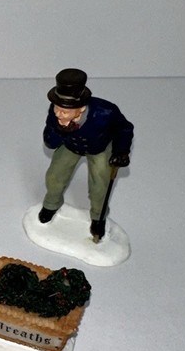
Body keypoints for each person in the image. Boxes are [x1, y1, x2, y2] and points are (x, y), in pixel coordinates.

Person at [38, 69, 133, 240]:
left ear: (81, 108)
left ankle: (98, 217)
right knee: (54, 176)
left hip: (99, 148)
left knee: (100, 184)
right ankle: (51, 204)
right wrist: (60, 130)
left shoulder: (106, 112)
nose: (58, 113)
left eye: (64, 111)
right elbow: (49, 142)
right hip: (70, 145)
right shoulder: (56, 113)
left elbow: (124, 129)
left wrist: (121, 151)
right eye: (57, 108)